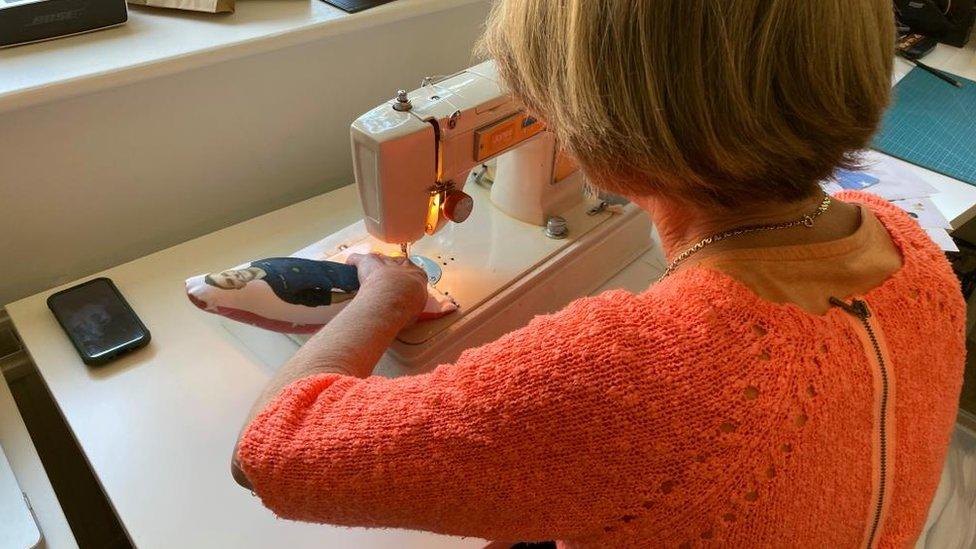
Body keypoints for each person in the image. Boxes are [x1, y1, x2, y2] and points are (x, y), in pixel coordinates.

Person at [231, 1, 965, 547]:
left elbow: (273, 453)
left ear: (600, 133)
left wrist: (383, 296)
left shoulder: (635, 376)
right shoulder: (918, 255)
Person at [204, 257, 359, 306]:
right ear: (239, 287)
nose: (234, 277)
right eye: (230, 282)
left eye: (227, 275)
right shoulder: (280, 292)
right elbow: (322, 298)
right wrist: (352, 296)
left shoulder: (262, 261)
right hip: (352, 282)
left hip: (349, 263)